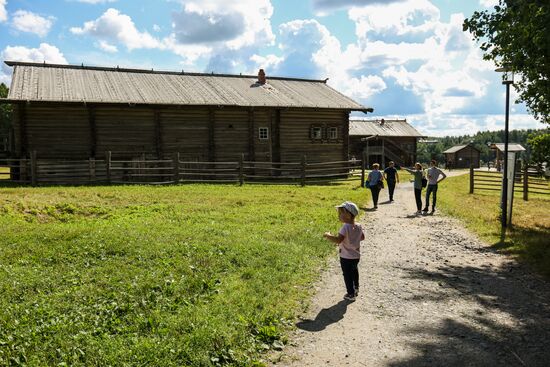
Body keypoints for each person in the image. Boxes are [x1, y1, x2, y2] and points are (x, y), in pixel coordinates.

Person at [324, 201, 364, 301]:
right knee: (354, 271)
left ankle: (350, 294)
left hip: (346, 257)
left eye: (341, 213)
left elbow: (338, 240)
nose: (339, 215)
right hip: (356, 255)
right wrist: (354, 239)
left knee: (347, 274)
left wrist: (328, 236)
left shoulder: (345, 227)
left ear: (348, 215)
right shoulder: (359, 226)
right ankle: (356, 288)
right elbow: (362, 237)